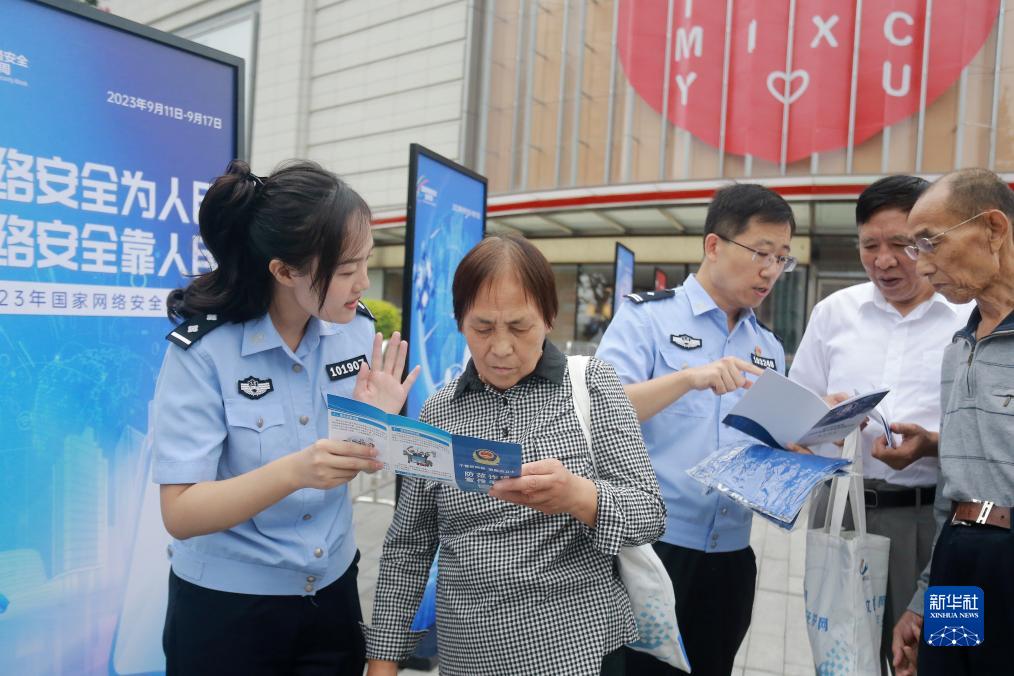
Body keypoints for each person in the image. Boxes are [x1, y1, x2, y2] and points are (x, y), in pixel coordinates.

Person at [150, 159, 419, 675]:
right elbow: (181, 513)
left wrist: (376, 427)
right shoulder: (204, 353)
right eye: (346, 271)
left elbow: (352, 454)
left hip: (333, 594)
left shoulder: (356, 331)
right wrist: (296, 471)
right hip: (227, 612)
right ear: (284, 270)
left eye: (366, 262)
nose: (364, 283)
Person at [364, 234, 665, 676]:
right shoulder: (439, 411)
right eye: (483, 328)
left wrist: (578, 496)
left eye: (520, 328)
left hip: (577, 655)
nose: (501, 348)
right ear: (459, 322)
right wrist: (383, 663)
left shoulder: (592, 385)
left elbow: (650, 514)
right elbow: (409, 546)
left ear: (549, 318)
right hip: (467, 657)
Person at [596, 183, 797, 675]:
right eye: (761, 253)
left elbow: (766, 445)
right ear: (713, 245)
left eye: (782, 258)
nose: (771, 270)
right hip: (651, 549)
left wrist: (807, 436)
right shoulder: (647, 317)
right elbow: (600, 410)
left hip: (731, 556)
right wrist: (687, 379)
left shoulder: (768, 347)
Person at [788, 175, 971, 674]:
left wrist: (930, 446)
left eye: (902, 245)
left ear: (929, 241)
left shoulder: (971, 317)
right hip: (843, 517)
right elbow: (796, 417)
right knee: (844, 657)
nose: (884, 261)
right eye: (870, 245)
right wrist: (821, 419)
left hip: (943, 521)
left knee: (948, 655)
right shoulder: (833, 312)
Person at [877, 168, 1014, 676]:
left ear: (993, 229)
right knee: (947, 668)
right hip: (958, 559)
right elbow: (952, 491)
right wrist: (923, 597)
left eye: (930, 242)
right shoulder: (959, 347)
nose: (922, 264)